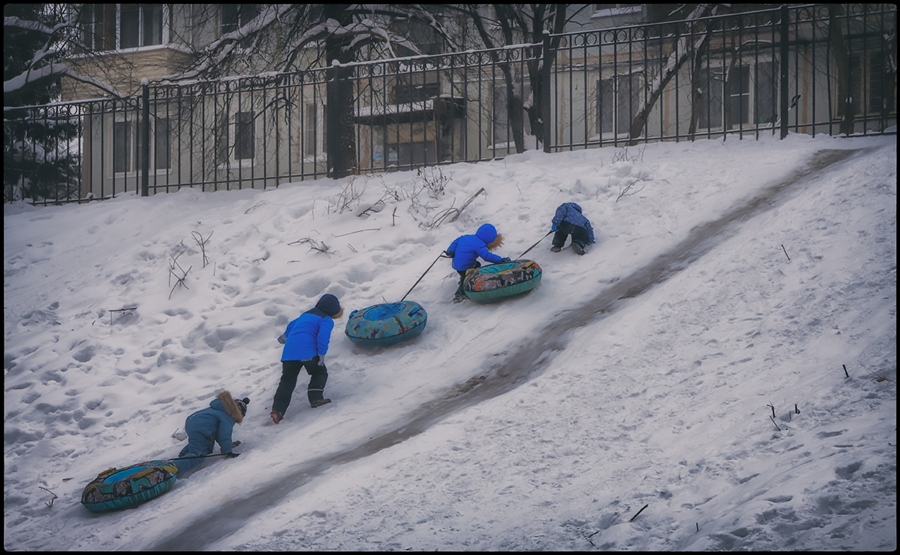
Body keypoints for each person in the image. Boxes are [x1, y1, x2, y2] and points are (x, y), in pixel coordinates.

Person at [270, 293, 344, 424]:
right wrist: (321, 354)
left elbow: (292, 324)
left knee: (287, 381)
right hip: (308, 353)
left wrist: (285, 336)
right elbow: (323, 337)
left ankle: (277, 410)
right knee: (319, 372)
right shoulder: (326, 319)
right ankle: (315, 398)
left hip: (289, 353)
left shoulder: (305, 315)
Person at [173, 391, 248, 475]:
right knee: (198, 455)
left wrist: (228, 445)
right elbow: (224, 434)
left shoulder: (219, 408)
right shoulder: (228, 416)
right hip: (203, 426)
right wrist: (227, 452)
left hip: (192, 422)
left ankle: (184, 454)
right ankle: (173, 469)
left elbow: (218, 435)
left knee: (202, 442)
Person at [444, 223, 510, 303]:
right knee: (470, 272)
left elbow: (455, 242)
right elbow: (486, 256)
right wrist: (500, 260)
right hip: (465, 265)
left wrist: (450, 251)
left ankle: (464, 278)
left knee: (477, 265)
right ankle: (460, 293)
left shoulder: (467, 237)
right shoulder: (480, 244)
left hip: (456, 263)